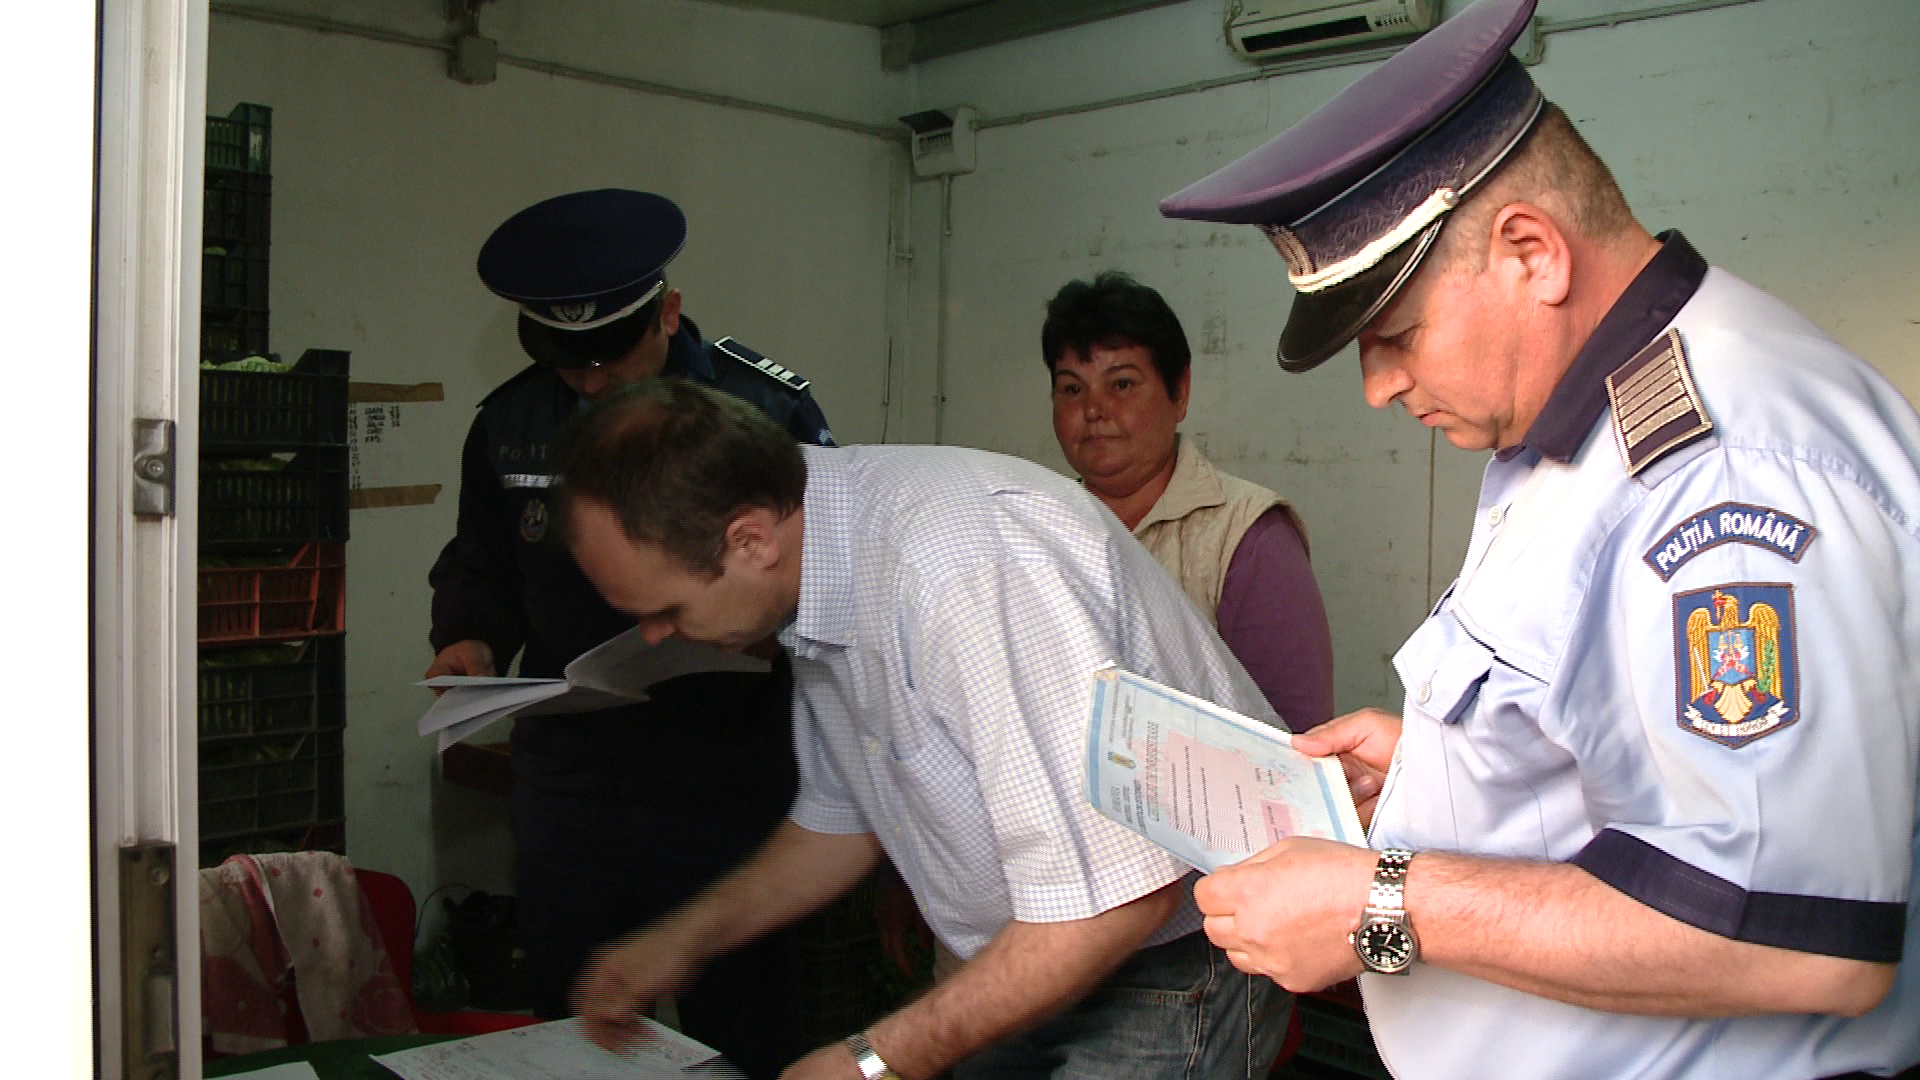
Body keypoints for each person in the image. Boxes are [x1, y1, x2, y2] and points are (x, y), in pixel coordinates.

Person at [1157, 0, 1920, 1078]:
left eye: (1396, 335)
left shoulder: (1715, 476)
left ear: (1531, 253)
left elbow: (1788, 936)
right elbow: (1647, 750)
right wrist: (1455, 771)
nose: (1378, 387)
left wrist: (1378, 904)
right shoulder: (1585, 420)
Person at [561, 379, 1288, 1080]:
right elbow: (840, 824)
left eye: (669, 610)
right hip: (1028, 956)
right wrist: (682, 940)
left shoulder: (959, 575)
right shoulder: (819, 563)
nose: (655, 637)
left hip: (1165, 960)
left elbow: (1118, 898)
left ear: (751, 540)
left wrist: (870, 1061)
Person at [425, 188, 834, 1078]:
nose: (590, 382)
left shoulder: (761, 410)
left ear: (668, 315)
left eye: (610, 358)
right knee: (581, 1032)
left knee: (745, 1030)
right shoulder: (511, 423)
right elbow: (481, 561)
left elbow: (830, 568)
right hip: (574, 787)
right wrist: (470, 637)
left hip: (727, 782)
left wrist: (775, 636)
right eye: (567, 364)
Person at [1043, 271, 1334, 732]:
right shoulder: (1038, 527)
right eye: (1072, 389)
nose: (1094, 409)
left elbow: (1298, 738)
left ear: (1180, 393)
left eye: (1122, 384)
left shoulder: (1250, 536)